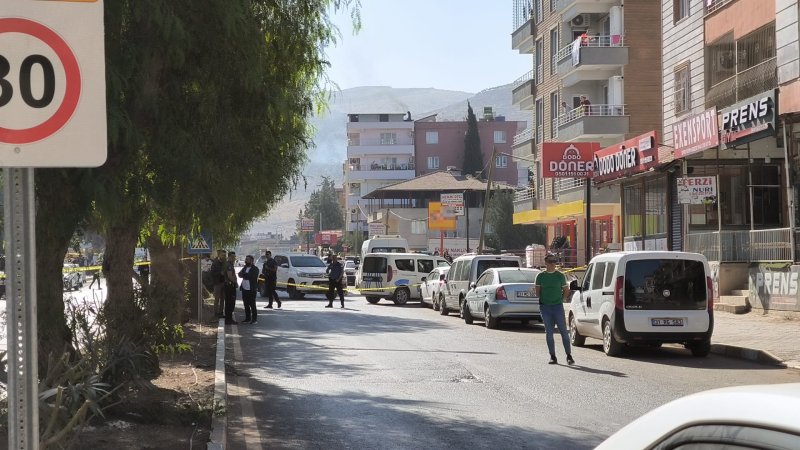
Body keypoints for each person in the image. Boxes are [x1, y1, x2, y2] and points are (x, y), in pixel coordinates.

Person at [534, 252, 575, 365]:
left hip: (557, 307)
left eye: (555, 261)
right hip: (545, 307)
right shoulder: (540, 276)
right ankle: (553, 356)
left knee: (563, 331)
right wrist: (544, 299)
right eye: (551, 261)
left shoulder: (560, 275)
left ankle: (569, 356)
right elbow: (537, 292)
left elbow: (566, 290)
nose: (553, 264)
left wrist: (561, 299)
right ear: (546, 262)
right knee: (549, 332)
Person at [238, 255, 260, 324]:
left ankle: (254, 319)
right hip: (244, 289)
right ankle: (247, 318)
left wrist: (244, 275)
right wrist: (245, 274)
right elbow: (239, 274)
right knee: (246, 304)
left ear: (251, 261)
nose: (246, 260)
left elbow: (250, 276)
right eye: (246, 259)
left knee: (252, 304)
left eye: (247, 259)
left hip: (252, 289)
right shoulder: (244, 267)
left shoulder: (255, 269)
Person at [224, 251, 239, 325]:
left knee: (230, 303)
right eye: (232, 257)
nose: (234, 258)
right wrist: (235, 282)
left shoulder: (230, 264)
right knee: (230, 303)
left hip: (230, 285)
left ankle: (229, 319)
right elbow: (230, 276)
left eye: (234, 257)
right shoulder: (229, 265)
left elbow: (233, 275)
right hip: (229, 286)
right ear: (229, 257)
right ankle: (228, 319)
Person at [210, 250, 226, 317]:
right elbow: (212, 273)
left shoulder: (225, 263)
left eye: (225, 255)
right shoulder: (215, 263)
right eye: (222, 255)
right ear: (219, 255)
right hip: (217, 283)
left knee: (222, 299)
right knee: (217, 299)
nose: (224, 256)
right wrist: (220, 273)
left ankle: (221, 312)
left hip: (224, 283)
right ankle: (215, 313)